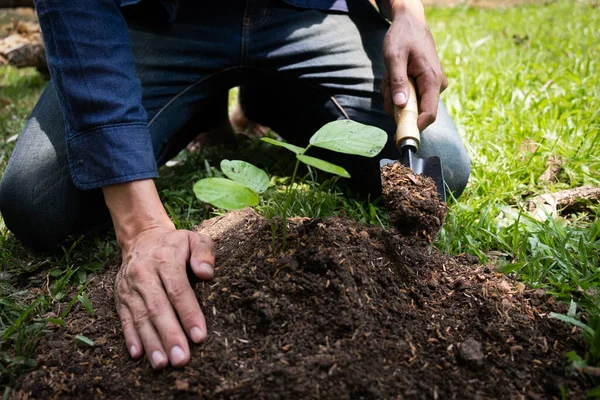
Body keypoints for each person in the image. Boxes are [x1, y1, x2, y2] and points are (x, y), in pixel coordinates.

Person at [0, 0, 470, 370]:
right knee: (39, 198)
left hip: (307, 16)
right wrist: (140, 225)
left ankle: (270, 92)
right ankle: (201, 99)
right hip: (164, 19)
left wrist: (407, 12)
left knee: (440, 169)